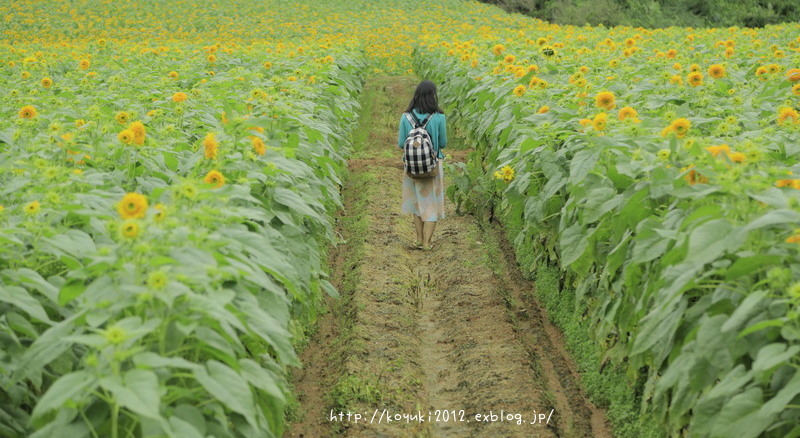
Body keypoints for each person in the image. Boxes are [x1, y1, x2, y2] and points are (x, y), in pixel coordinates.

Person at [397, 80, 447, 251]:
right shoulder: (439, 117)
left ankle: (418, 239)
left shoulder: (406, 117)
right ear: (433, 96)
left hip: (412, 167)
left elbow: (401, 143)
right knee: (431, 203)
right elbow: (443, 143)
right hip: (432, 167)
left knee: (417, 203)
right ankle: (427, 243)